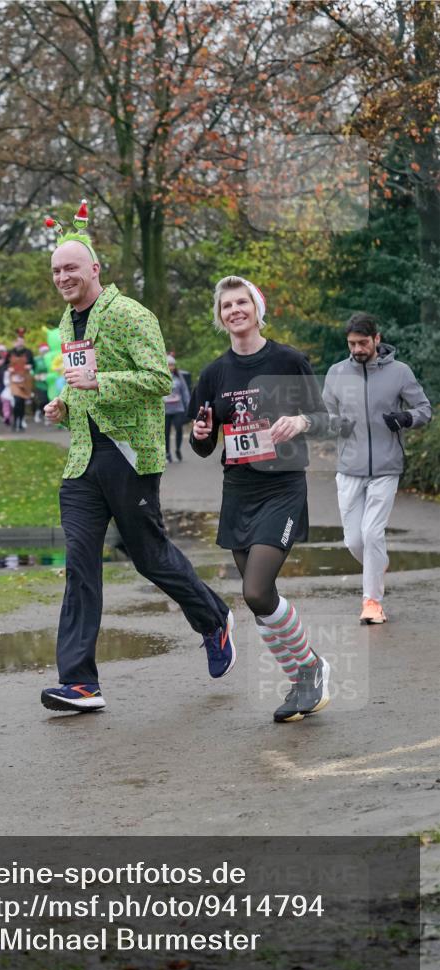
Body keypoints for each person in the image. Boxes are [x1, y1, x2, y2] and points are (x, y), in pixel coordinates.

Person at [41, 200, 234, 713]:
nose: (63, 277)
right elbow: (84, 381)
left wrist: (99, 381)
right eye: (57, 270)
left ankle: (213, 619)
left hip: (127, 456)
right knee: (80, 566)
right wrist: (65, 404)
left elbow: (159, 382)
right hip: (82, 459)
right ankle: (80, 682)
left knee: (149, 557)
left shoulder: (129, 314)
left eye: (72, 268)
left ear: (95, 269)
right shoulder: (67, 320)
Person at [189, 275, 331, 724]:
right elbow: (203, 445)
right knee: (258, 597)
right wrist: (199, 433)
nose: (235, 310)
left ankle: (312, 668)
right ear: (221, 316)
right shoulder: (214, 374)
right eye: (227, 305)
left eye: (242, 302)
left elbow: (326, 419)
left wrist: (301, 421)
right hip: (239, 492)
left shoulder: (288, 360)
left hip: (281, 487)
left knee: (255, 588)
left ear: (256, 307)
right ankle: (301, 680)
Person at [322, 312, 431, 624]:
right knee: (354, 541)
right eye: (352, 343)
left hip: (386, 465)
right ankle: (377, 562)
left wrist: (405, 418)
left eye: (363, 342)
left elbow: (424, 410)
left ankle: (372, 602)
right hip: (348, 467)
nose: (357, 348)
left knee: (372, 533)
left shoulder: (399, 372)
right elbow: (326, 414)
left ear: (377, 340)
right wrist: (336, 425)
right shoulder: (337, 373)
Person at [164, 354, 191, 462]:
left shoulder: (179, 377)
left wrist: (188, 405)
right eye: (169, 365)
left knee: (179, 429)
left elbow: (184, 391)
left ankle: (178, 449)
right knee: (165, 432)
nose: (171, 367)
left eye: (172, 365)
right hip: (165, 410)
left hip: (178, 409)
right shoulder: (161, 377)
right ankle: (167, 453)